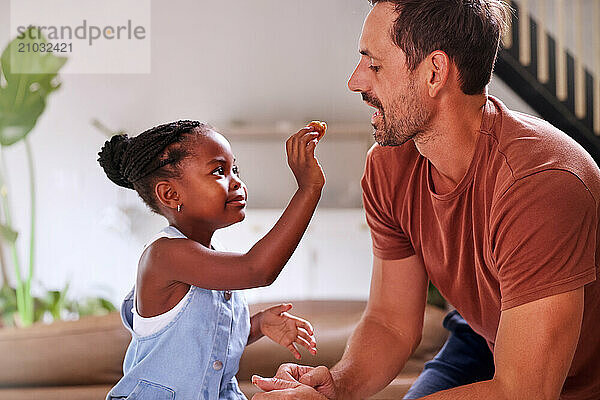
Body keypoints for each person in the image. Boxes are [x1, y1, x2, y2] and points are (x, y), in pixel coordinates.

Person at [251, 1, 600, 399]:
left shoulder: (541, 182)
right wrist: (337, 388)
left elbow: (524, 391)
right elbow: (390, 321)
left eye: (374, 65)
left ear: (435, 72)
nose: (355, 81)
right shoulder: (390, 165)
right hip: (483, 335)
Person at [97, 119, 326, 399]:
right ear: (170, 194)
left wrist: (259, 324)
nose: (237, 181)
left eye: (235, 169)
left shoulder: (210, 259)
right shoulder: (165, 255)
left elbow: (206, 337)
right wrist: (308, 189)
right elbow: (258, 269)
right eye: (219, 171)